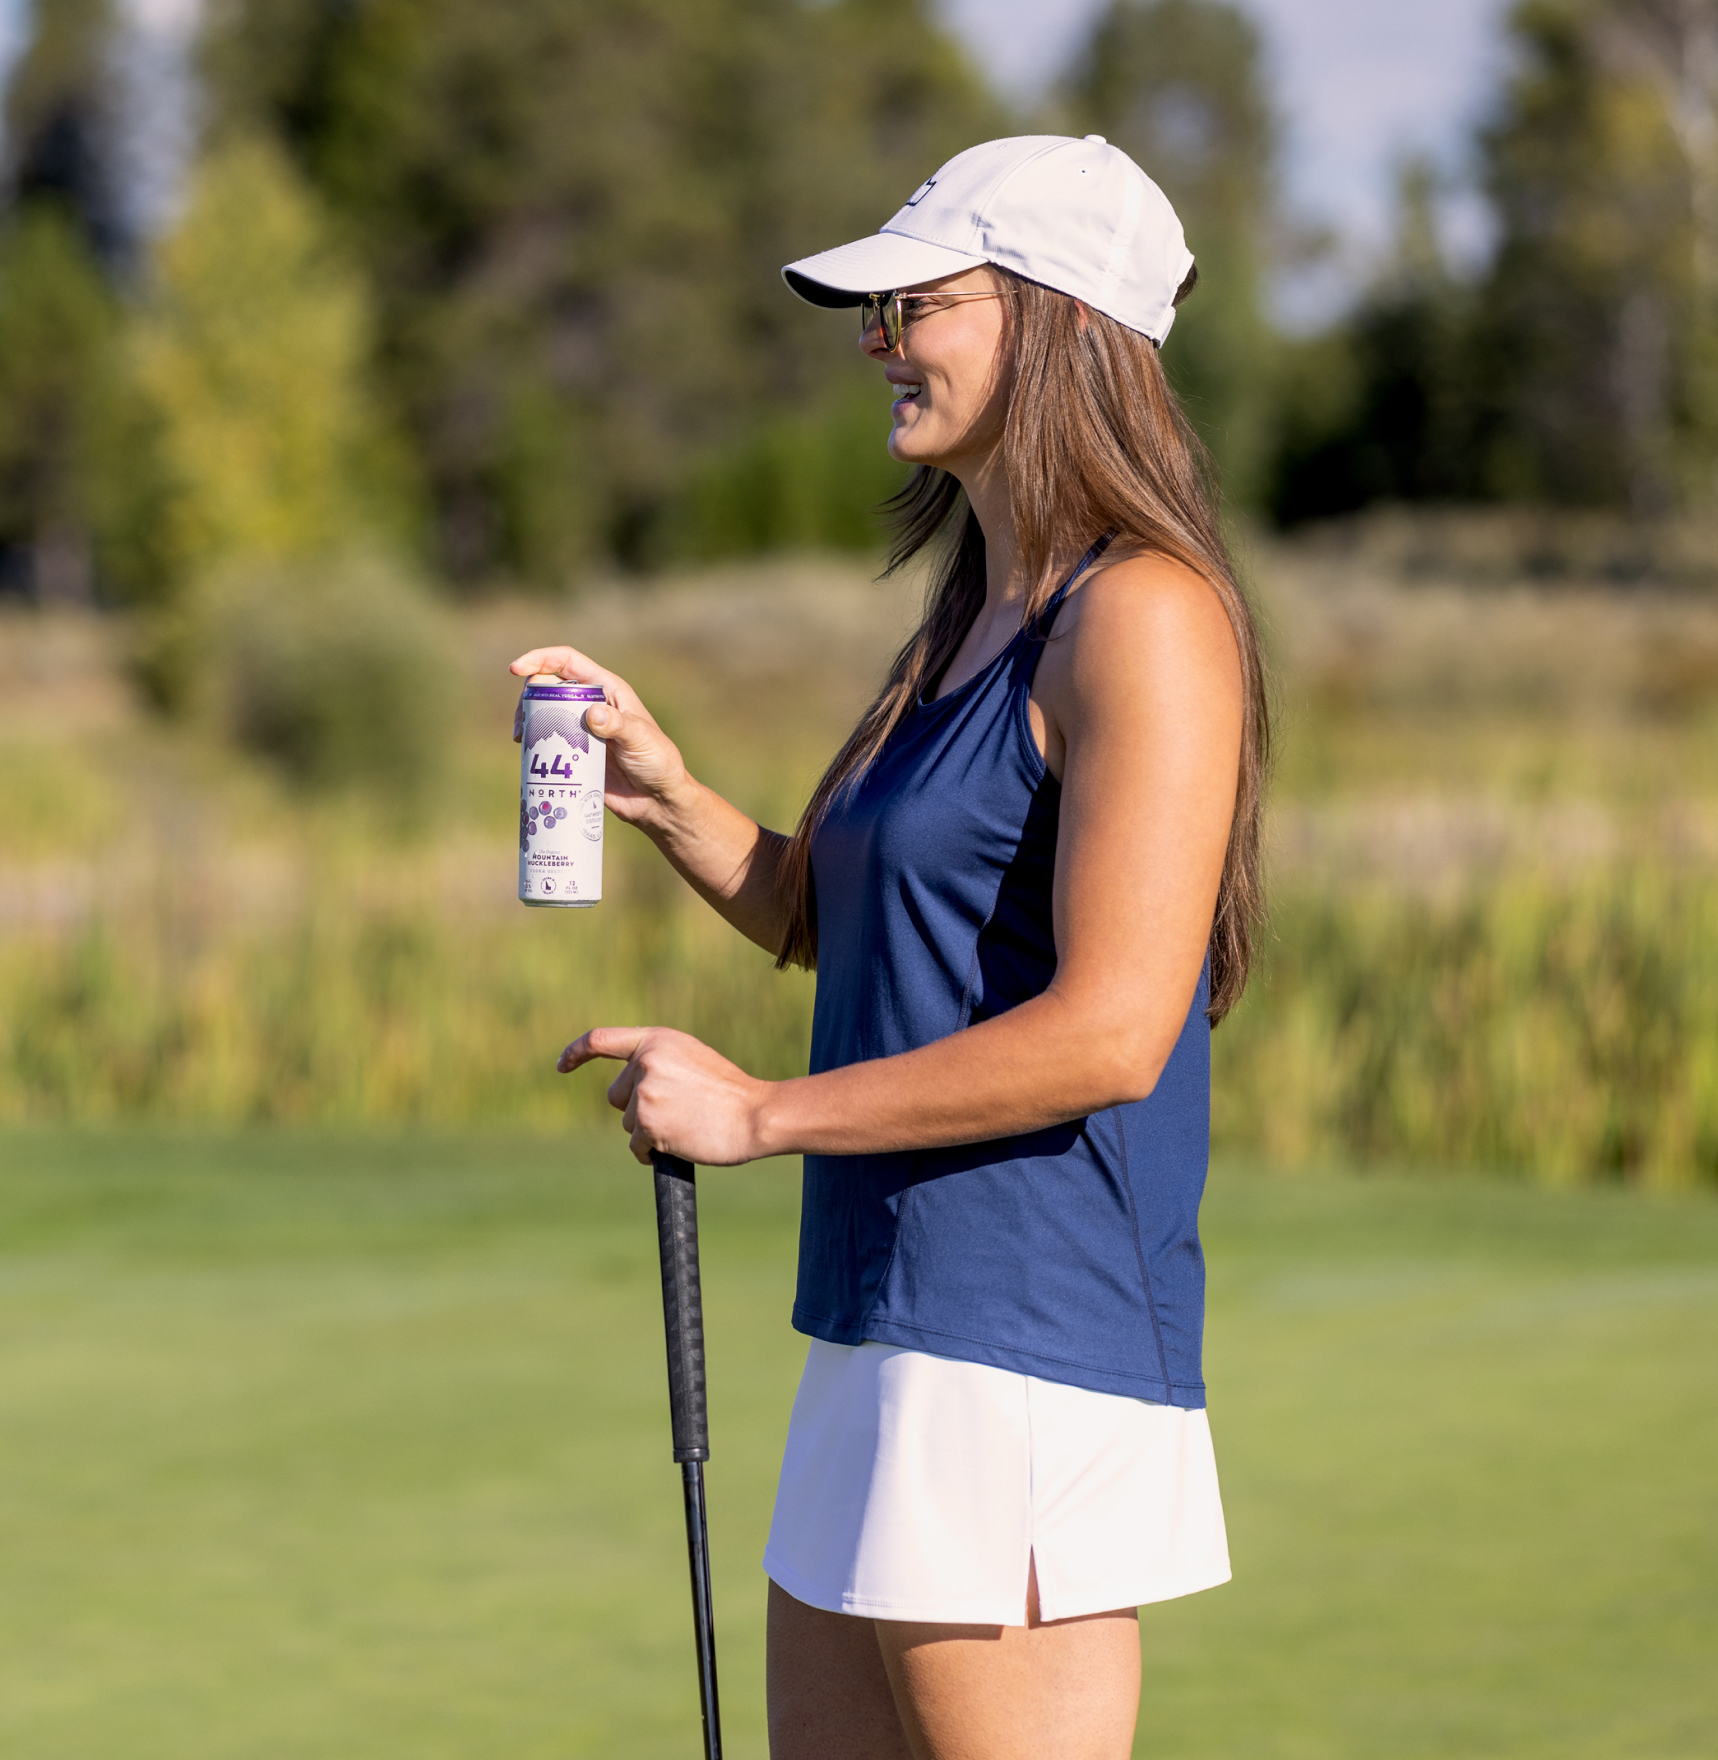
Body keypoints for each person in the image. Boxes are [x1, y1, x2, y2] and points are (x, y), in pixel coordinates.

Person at [519, 134, 1263, 1759]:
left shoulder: (1144, 615)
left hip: (1022, 1347)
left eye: (914, 301)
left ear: (1053, 320)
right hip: (883, 1323)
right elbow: (841, 921)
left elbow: (1112, 1032)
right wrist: (673, 798)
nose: (877, 339)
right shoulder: (978, 614)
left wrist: (762, 1114)